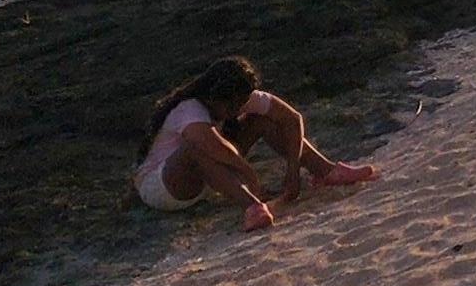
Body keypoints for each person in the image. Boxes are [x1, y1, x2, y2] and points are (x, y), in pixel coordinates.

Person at [134, 58, 378, 230]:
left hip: (211, 172)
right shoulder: (189, 109)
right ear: (213, 97)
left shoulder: (239, 99)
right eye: (230, 106)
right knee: (194, 149)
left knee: (263, 120)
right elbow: (211, 145)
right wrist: (248, 174)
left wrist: (292, 171)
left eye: (239, 104)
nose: (235, 111)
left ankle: (326, 170)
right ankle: (252, 206)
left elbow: (291, 119)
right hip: (166, 186)